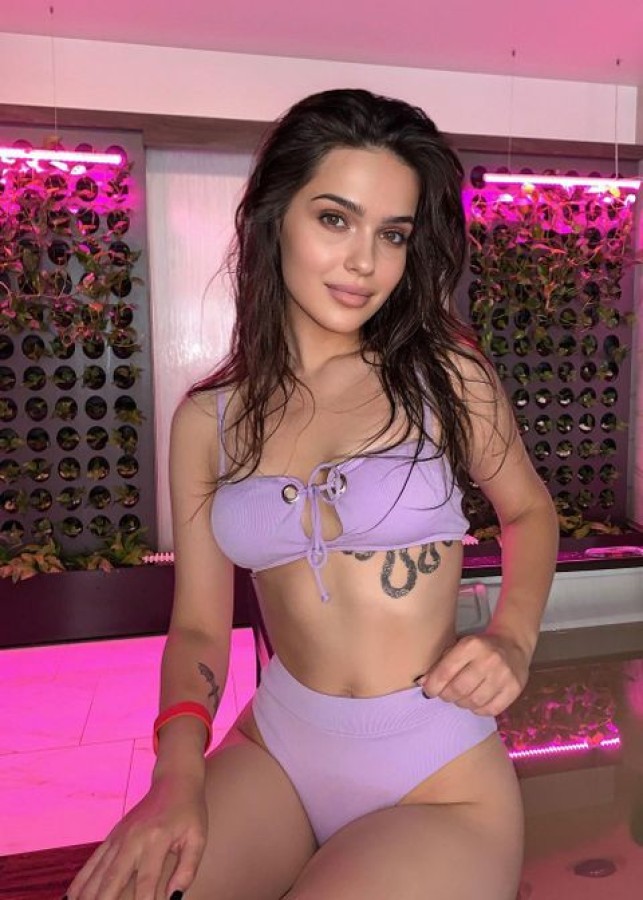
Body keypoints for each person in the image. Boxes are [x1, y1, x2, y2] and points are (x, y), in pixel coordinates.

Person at [66, 88, 559, 900]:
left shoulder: (446, 377)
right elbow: (198, 625)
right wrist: (176, 776)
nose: (365, 262)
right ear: (274, 217)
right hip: (279, 749)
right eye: (335, 219)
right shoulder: (208, 420)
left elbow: (527, 511)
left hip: (436, 775)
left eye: (392, 234)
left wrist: (511, 635)